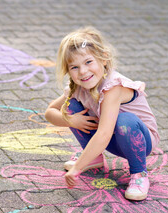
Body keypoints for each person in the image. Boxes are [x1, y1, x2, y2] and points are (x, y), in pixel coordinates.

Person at [45, 26, 160, 201]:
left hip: (140, 141)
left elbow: (105, 133)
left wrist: (77, 169)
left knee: (125, 120)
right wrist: (70, 120)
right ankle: (93, 159)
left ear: (103, 59)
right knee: (71, 107)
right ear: (68, 71)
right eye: (74, 67)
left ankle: (139, 174)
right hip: (111, 138)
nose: (83, 71)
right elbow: (49, 112)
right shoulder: (78, 87)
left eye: (88, 62)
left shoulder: (113, 88)